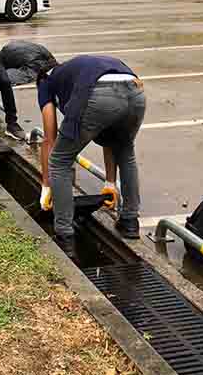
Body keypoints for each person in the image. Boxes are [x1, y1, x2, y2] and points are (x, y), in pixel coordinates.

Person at [36, 55, 146, 256]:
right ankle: (130, 222)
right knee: (125, 150)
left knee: (60, 160)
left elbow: (49, 139)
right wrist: (109, 183)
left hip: (100, 94)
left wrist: (46, 185)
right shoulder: (76, 70)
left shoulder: (46, 82)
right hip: (135, 90)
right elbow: (108, 135)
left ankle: (64, 235)